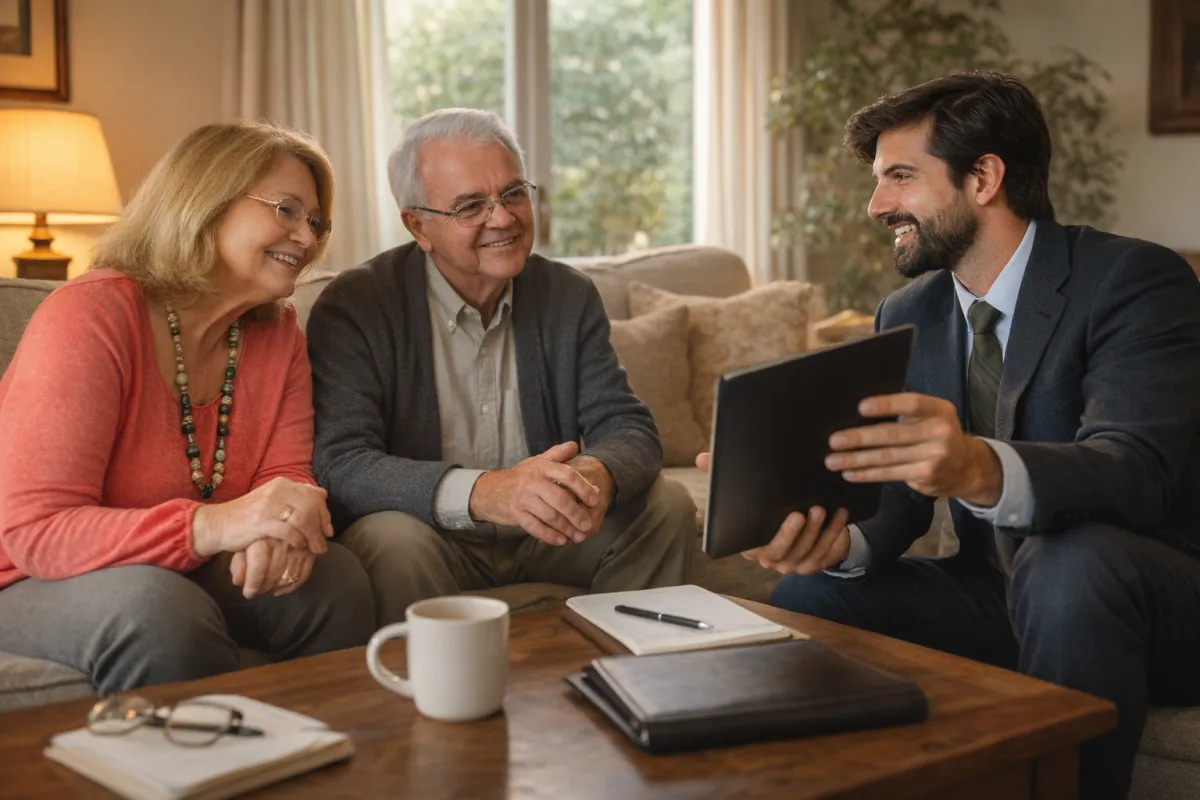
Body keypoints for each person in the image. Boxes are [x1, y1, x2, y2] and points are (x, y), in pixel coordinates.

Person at [697, 73, 1200, 799]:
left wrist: (978, 470)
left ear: (984, 177)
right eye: (878, 181)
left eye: (900, 177)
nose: (877, 206)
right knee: (810, 595)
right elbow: (900, 499)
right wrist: (840, 541)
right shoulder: (912, 310)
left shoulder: (1134, 280)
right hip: (998, 592)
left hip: (1153, 595)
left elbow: (1136, 469)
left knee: (1071, 563)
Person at [0, 121, 376, 693]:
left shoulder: (277, 332)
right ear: (205, 201)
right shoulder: (91, 316)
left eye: (316, 222)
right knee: (160, 611)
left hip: (188, 561)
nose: (307, 238)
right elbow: (38, 531)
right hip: (30, 575)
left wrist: (278, 529)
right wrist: (221, 523)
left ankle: (331, 766)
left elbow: (285, 474)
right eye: (286, 210)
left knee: (332, 577)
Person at [307, 108, 696, 626]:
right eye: (471, 205)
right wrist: (486, 493)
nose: (504, 217)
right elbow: (341, 462)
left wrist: (596, 472)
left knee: (665, 505)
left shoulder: (567, 295)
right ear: (417, 225)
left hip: (551, 533)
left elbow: (628, 426)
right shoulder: (357, 306)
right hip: (432, 536)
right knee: (390, 539)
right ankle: (430, 700)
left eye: (513, 193)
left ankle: (632, 682)